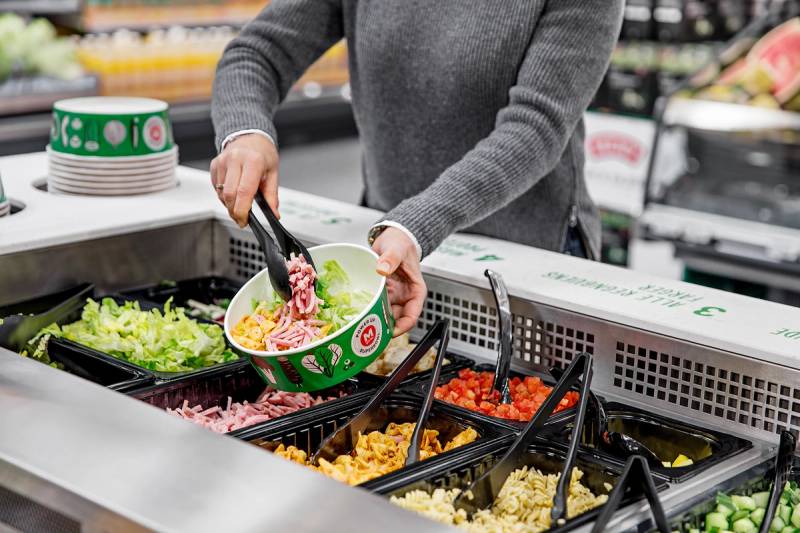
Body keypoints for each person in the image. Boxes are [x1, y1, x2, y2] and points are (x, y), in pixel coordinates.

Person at [210, 0, 623, 335]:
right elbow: (256, 53)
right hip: (390, 253)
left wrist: (416, 223)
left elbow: (536, 130)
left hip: (523, 261)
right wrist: (246, 133)